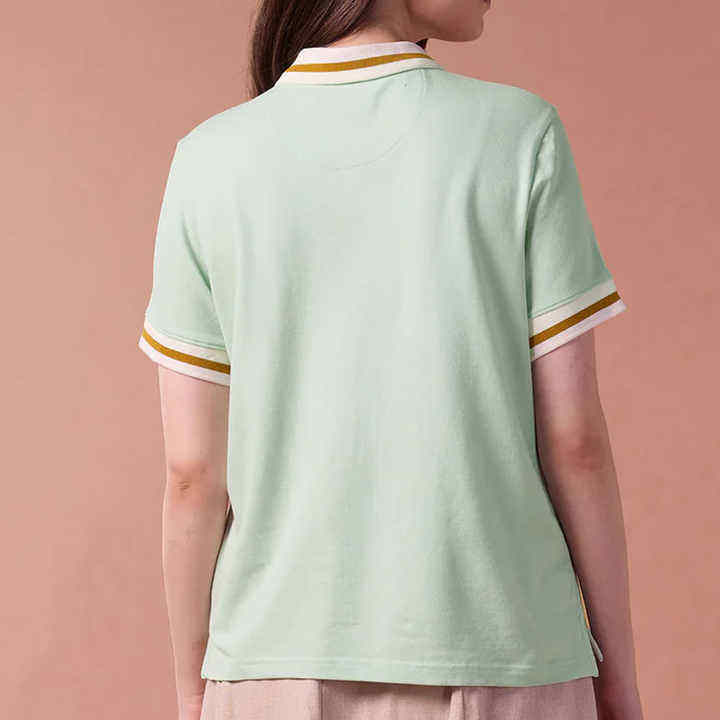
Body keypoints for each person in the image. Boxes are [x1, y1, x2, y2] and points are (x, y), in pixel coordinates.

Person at [137, 1, 644, 719]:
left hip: (270, 668)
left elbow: (193, 474)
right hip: (510, 655)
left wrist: (195, 689)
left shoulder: (208, 159)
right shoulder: (519, 134)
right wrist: (617, 682)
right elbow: (575, 442)